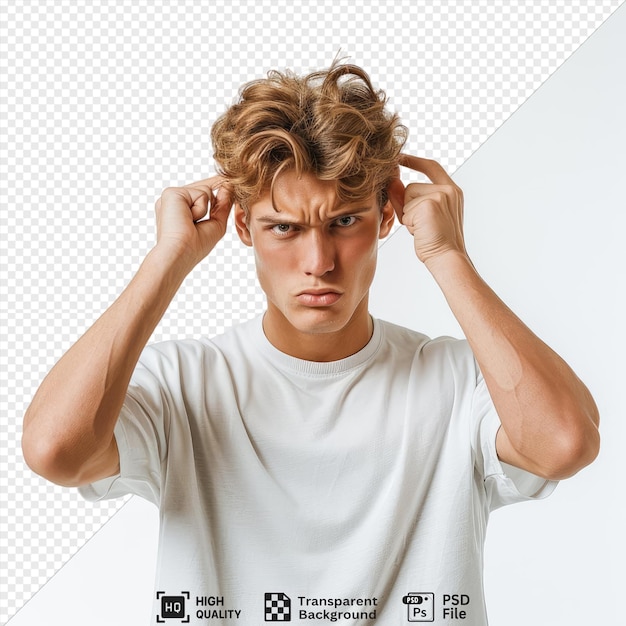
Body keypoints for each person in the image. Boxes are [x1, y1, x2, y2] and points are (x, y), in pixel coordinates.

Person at [22, 62, 600, 625]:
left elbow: (564, 444)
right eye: (285, 228)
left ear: (386, 218)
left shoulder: (455, 379)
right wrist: (167, 260)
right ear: (244, 227)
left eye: (345, 222)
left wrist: (447, 256)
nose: (318, 263)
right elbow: (55, 450)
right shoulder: (184, 384)